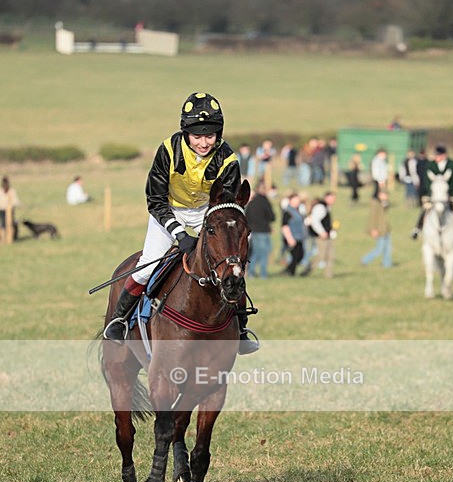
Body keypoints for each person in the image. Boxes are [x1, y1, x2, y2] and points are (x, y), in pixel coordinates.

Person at [103, 91, 258, 354]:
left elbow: (228, 206)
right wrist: (179, 234)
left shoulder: (228, 158)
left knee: (232, 269)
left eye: (210, 135)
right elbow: (155, 199)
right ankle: (119, 320)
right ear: (186, 133)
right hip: (169, 210)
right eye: (197, 136)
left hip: (207, 213)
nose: (204, 142)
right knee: (144, 268)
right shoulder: (168, 150)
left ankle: (240, 329)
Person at [411, 144, 453, 244]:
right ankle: (418, 229)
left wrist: (449, 194)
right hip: (434, 194)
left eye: (438, 155)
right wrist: (431, 194)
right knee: (426, 208)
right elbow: (427, 181)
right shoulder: (430, 165)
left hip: (451, 194)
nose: (436, 157)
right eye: (435, 155)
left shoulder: (452, 164)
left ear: (444, 155)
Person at [245, 180, 275, 279]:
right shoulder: (265, 201)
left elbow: (247, 216)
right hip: (263, 230)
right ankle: (263, 274)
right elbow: (271, 216)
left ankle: (251, 272)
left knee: (256, 253)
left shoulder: (252, 202)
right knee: (263, 253)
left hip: (253, 230)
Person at [305, 191, 337, 278]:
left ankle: (328, 275)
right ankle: (307, 270)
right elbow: (314, 221)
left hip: (328, 235)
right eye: (332, 198)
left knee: (330, 255)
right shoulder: (320, 207)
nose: (334, 200)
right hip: (321, 236)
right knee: (321, 256)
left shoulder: (327, 207)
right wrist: (321, 232)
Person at [360, 185, 393, 268]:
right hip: (379, 230)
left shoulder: (384, 203)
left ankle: (387, 264)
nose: (386, 196)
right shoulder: (375, 204)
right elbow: (372, 218)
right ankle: (364, 260)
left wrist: (385, 202)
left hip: (386, 229)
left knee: (388, 249)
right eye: (384, 194)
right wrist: (373, 229)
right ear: (379, 194)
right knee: (379, 249)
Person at [280, 192, 306, 276]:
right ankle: (291, 273)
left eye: (298, 200)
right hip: (292, 237)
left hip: (299, 237)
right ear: (290, 201)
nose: (297, 202)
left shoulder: (297, 211)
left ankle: (288, 270)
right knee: (295, 256)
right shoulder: (287, 212)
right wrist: (289, 238)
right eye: (295, 200)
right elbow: (284, 226)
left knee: (300, 255)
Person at [0, 176, 20, 241]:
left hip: (10, 210)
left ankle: (10, 238)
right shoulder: (0, 192)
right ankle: (3, 238)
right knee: (3, 224)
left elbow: (16, 201)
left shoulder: (12, 191)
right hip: (2, 210)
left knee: (11, 224)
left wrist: (16, 204)